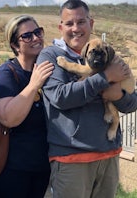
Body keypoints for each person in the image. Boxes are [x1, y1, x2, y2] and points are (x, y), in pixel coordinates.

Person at [36, 1, 137, 198]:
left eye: (81, 22)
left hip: (109, 155)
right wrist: (105, 78)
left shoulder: (110, 58)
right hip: (71, 158)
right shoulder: (51, 55)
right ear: (60, 27)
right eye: (69, 23)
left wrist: (118, 95)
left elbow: (132, 103)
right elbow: (60, 97)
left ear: (91, 23)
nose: (75, 29)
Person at [0, 15, 54, 198]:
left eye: (38, 32)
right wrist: (33, 85)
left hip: (40, 168)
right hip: (9, 171)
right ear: (15, 45)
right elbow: (8, 118)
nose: (36, 38)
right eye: (27, 36)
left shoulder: (46, 71)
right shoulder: (6, 74)